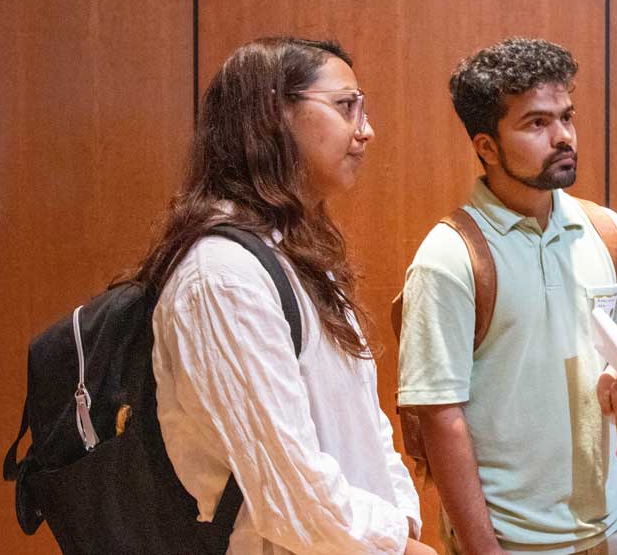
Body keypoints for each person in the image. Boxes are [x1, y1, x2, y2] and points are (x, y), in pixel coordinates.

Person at [133, 37, 433, 554]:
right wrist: (397, 544)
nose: (366, 130)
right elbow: (286, 488)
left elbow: (365, 421)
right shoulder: (221, 278)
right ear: (273, 116)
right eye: (346, 107)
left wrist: (402, 521)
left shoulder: (296, 252)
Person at [397, 38, 617, 555]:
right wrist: (483, 548)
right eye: (536, 124)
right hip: (512, 541)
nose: (563, 137)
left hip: (615, 525)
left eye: (566, 116)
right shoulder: (449, 256)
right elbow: (438, 417)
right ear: (486, 147)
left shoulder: (606, 232)